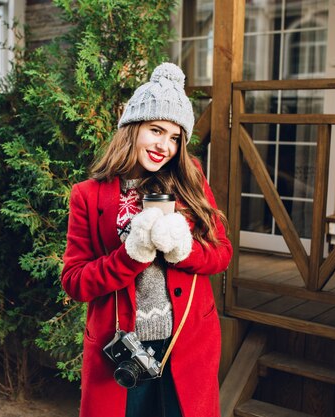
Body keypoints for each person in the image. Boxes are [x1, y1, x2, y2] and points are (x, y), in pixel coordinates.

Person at [61, 62, 232, 417]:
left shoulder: (190, 181)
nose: (164, 146)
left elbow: (221, 254)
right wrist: (130, 255)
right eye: (156, 130)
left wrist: (183, 249)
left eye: (174, 137)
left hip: (186, 343)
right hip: (122, 347)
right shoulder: (88, 195)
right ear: (132, 128)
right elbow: (75, 282)